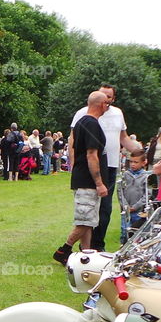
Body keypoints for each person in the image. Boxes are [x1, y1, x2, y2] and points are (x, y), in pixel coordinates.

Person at [69, 84, 142, 251]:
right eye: (103, 96)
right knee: (88, 207)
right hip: (90, 165)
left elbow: (124, 138)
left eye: (109, 97)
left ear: (113, 99)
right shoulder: (83, 114)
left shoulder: (118, 114)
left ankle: (96, 244)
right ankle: (77, 248)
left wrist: (140, 153)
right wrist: (73, 162)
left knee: (105, 208)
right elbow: (73, 139)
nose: (106, 100)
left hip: (110, 165)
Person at [54, 91, 109, 264]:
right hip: (88, 181)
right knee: (85, 221)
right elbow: (92, 154)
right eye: (107, 103)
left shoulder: (81, 123)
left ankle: (87, 254)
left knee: (89, 219)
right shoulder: (91, 124)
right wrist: (99, 183)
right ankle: (64, 250)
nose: (108, 106)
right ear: (101, 104)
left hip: (82, 179)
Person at [118, 149, 150, 243]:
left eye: (136, 162)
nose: (132, 164)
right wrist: (125, 205)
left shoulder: (145, 176)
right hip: (126, 210)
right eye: (131, 161)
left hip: (139, 211)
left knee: (137, 232)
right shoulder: (125, 175)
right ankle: (123, 246)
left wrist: (135, 207)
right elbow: (120, 191)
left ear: (143, 163)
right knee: (125, 230)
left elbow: (147, 195)